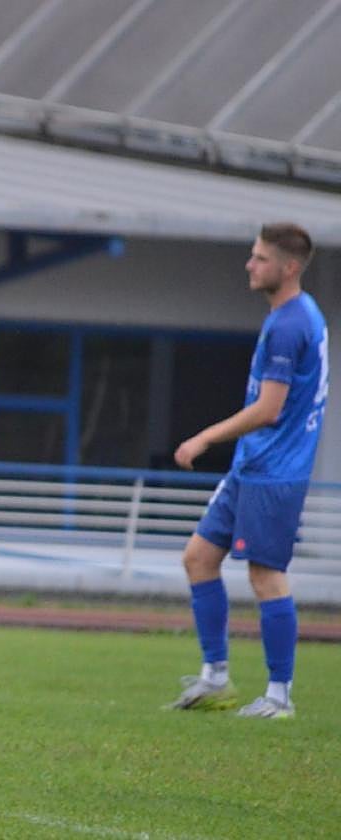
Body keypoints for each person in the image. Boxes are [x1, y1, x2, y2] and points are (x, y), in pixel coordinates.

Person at [168, 222, 328, 719]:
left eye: (260, 258)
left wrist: (205, 437)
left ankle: (279, 697)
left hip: (274, 471)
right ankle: (216, 678)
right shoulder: (292, 314)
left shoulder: (288, 324)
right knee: (198, 558)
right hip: (252, 466)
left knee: (266, 577)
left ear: (289, 267)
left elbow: (269, 409)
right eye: (253, 255)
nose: (250, 264)